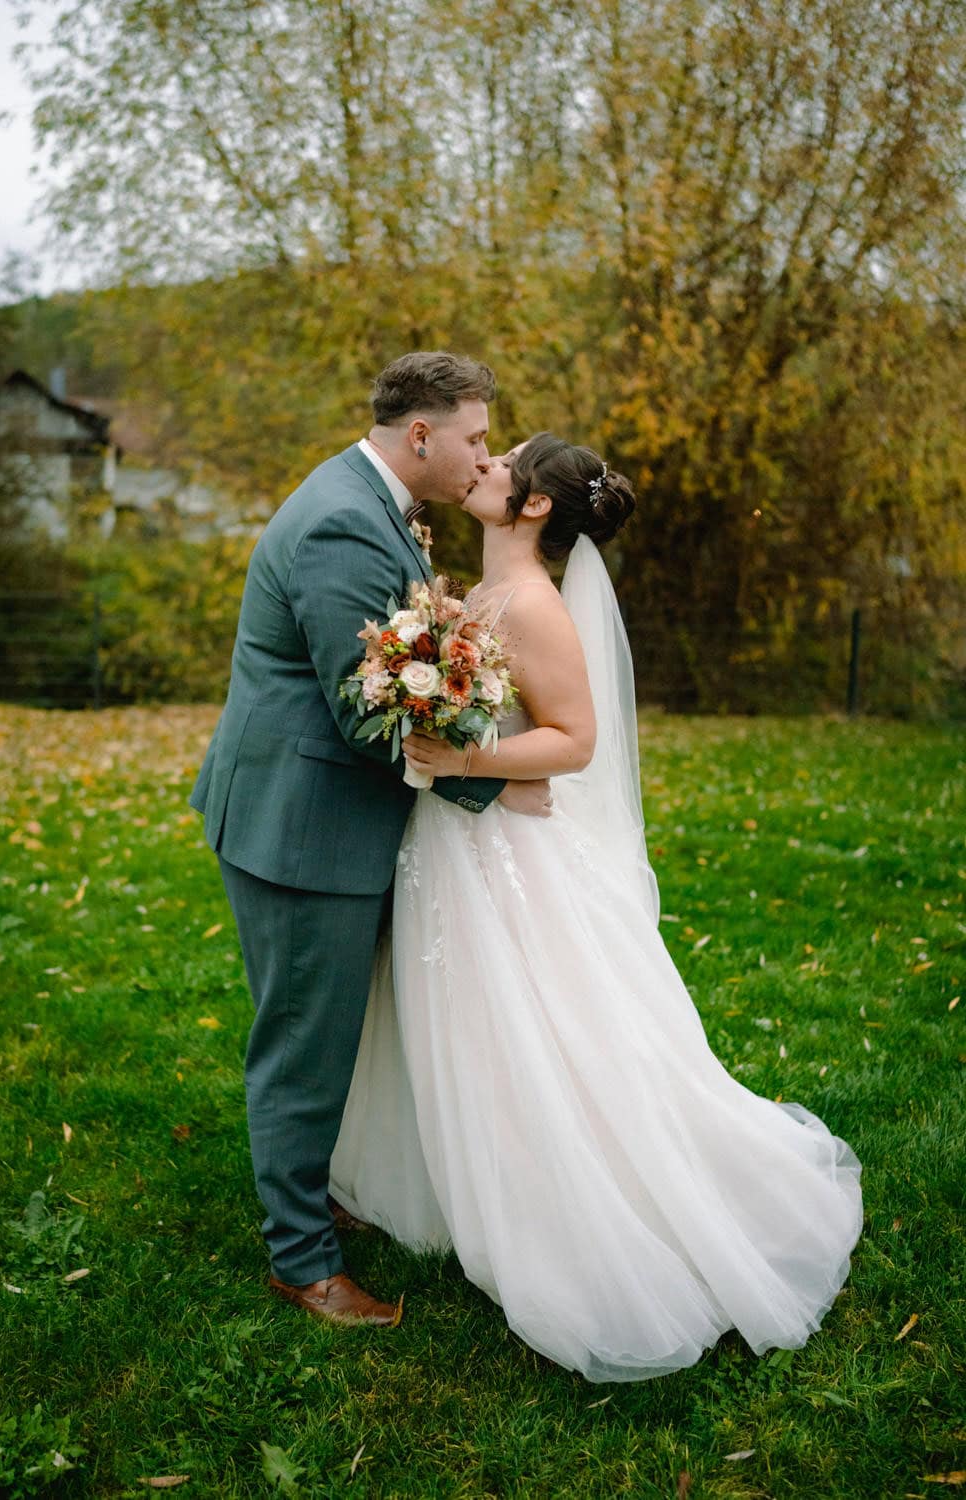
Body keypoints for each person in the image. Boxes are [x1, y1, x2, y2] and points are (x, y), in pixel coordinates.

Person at [329, 433, 863, 1380]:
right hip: (458, 844)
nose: (484, 466)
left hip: (506, 858)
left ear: (534, 507)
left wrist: (465, 758)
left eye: (505, 463)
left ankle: (575, 1204)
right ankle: (472, 1181)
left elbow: (574, 742)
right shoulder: (477, 595)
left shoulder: (532, 605)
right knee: (466, 1025)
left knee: (535, 1029)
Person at [189, 354, 554, 1329]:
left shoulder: (369, 498)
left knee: (333, 1029)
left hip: (320, 813)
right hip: (299, 829)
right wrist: (504, 775)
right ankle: (301, 1261)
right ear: (422, 436)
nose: (485, 454)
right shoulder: (345, 519)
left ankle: (315, 1194)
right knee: (304, 1046)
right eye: (475, 436)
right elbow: (370, 716)